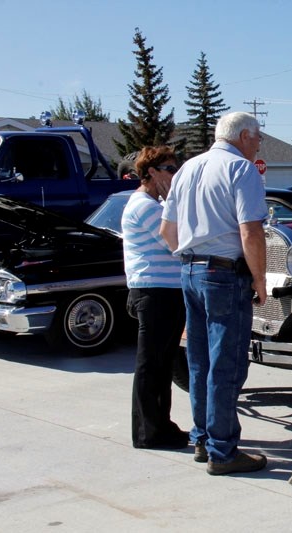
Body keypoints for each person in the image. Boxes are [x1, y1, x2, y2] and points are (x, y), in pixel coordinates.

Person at [160, 112, 269, 476]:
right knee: (226, 364)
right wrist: (259, 278)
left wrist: (188, 257)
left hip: (190, 269)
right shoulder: (241, 170)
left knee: (200, 361)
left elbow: (166, 230)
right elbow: (250, 231)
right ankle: (223, 451)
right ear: (242, 136)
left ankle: (204, 439)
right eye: (257, 138)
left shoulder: (189, 168)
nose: (258, 145)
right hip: (223, 274)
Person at [121, 146, 187, 449]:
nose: (175, 174)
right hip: (154, 292)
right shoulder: (145, 206)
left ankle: (162, 425)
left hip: (165, 292)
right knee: (150, 364)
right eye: (170, 169)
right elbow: (175, 242)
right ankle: (148, 432)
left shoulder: (153, 203)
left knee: (162, 364)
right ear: (151, 172)